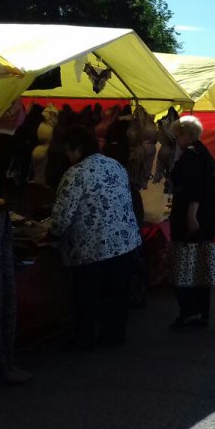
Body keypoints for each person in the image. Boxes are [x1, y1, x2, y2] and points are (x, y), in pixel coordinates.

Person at [50, 125, 141, 350]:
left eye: (69, 151)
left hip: (91, 247)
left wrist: (53, 232)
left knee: (86, 296)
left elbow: (62, 215)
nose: (68, 156)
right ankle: (114, 336)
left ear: (78, 149)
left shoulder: (75, 174)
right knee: (116, 294)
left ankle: (84, 339)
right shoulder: (115, 165)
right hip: (123, 241)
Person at [168, 116, 215, 330]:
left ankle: (190, 312)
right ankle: (201, 312)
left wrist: (191, 215)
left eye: (177, 135)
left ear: (186, 134)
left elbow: (194, 188)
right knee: (200, 267)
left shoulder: (191, 155)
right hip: (205, 217)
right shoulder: (202, 152)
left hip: (193, 218)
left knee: (186, 267)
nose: (176, 139)